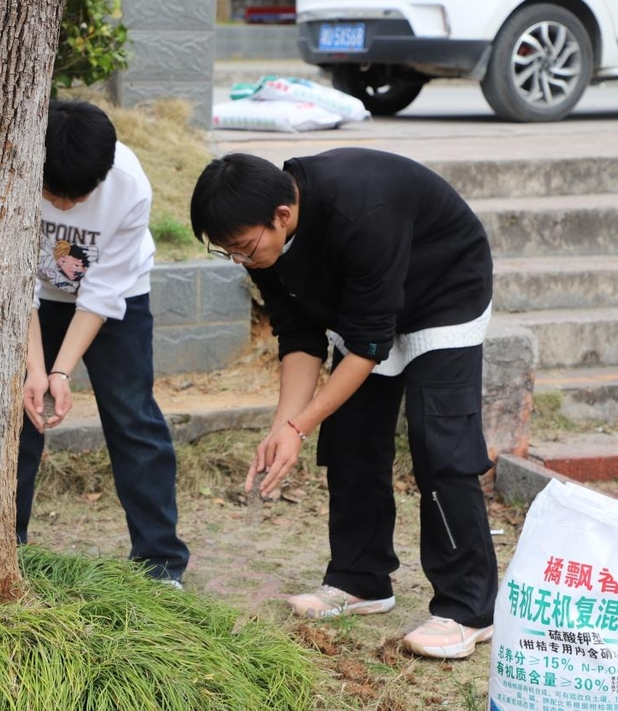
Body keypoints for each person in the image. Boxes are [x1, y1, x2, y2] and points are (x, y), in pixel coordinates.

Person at [188, 148, 498, 659]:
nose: (241, 260)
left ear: (281, 216)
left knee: (440, 443)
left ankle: (468, 608)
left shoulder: (361, 210)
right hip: (365, 307)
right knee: (352, 434)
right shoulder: (265, 243)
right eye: (228, 253)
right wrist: (285, 426)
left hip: (443, 291)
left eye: (243, 248)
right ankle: (361, 580)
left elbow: (370, 348)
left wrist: (301, 425)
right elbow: (299, 335)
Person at [17, 99, 189, 587]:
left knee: (132, 415)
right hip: (34, 300)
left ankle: (160, 562)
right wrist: (35, 371)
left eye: (78, 197)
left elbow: (101, 292)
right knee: (17, 415)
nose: (65, 206)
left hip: (118, 301)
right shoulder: (15, 167)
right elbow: (17, 284)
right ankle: (5, 546)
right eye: (55, 195)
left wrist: (60, 373)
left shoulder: (130, 187)